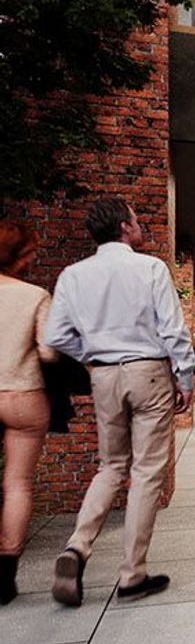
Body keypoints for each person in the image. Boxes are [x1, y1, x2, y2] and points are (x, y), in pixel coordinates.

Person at [45, 195, 194, 606]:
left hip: (104, 375)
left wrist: (93, 354)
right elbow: (173, 330)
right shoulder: (149, 268)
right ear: (124, 228)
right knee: (147, 472)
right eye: (135, 218)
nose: (139, 223)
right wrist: (185, 377)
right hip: (148, 372)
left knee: (111, 467)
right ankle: (132, 575)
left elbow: (56, 337)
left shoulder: (74, 275)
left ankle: (77, 546)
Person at [0, 220, 56, 603]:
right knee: (17, 484)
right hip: (24, 394)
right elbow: (50, 351)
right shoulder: (35, 295)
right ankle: (5, 575)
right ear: (20, 256)